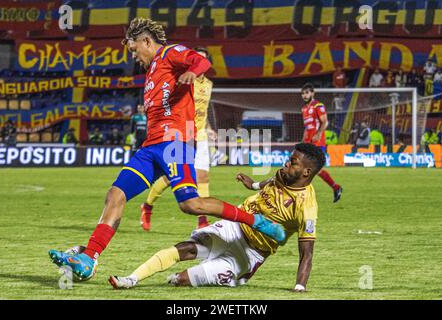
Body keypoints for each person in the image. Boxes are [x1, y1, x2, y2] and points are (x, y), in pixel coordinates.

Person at [48, 18, 285, 281]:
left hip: (176, 143)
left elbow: (202, 62)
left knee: (191, 204)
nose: (135, 56)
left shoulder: (170, 53)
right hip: (150, 148)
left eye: (135, 50)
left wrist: (193, 72)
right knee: (116, 193)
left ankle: (257, 223)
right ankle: (89, 258)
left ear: (147, 41)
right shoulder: (150, 72)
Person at [108, 143, 324, 292]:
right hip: (234, 227)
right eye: (289, 160)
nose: (287, 164)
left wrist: (299, 287)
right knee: (186, 248)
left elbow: (307, 253)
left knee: (181, 280)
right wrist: (253, 185)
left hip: (251, 254)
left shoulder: (307, 208)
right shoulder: (282, 175)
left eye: (293, 162)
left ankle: (209, 276)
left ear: (306, 172)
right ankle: (131, 279)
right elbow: (271, 181)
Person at [140, 47, 215, 231]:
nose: (197, 62)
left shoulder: (208, 84)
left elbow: (202, 110)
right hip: (182, 132)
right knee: (170, 177)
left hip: (201, 135)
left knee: (203, 176)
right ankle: (148, 206)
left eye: (202, 59)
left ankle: (202, 221)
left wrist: (209, 128)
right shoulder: (182, 79)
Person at [300, 83, 342, 202]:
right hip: (308, 143)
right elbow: (307, 127)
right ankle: (335, 187)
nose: (304, 95)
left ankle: (302, 195)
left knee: (311, 168)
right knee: (310, 168)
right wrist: (303, 141)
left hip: (318, 143)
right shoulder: (303, 109)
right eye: (302, 93)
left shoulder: (318, 106)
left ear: (313, 93)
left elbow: (325, 122)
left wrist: (318, 134)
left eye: (307, 92)